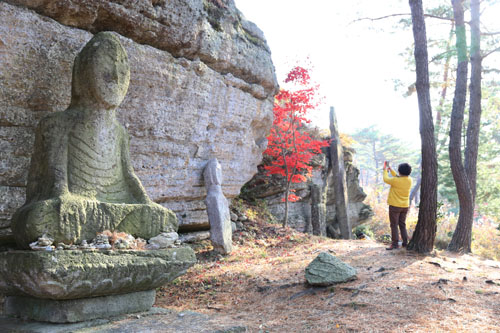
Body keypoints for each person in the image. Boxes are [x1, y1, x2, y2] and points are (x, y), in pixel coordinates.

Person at [383, 161, 412, 250]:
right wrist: (391, 170)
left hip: (395, 206)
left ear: (399, 171)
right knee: (402, 224)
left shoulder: (396, 180)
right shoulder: (409, 180)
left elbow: (386, 179)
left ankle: (395, 244)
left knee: (394, 225)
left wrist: (385, 170)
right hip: (405, 206)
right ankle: (405, 242)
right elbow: (398, 177)